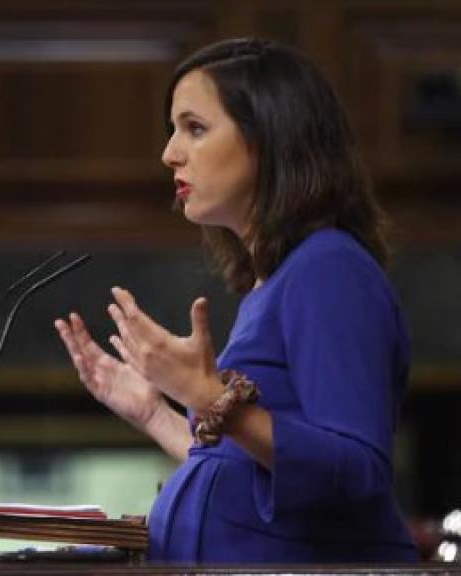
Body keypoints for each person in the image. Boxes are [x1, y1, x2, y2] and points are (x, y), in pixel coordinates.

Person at [54, 38, 417, 562]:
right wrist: (155, 413)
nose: (169, 153)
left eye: (195, 128)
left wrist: (208, 398)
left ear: (270, 138)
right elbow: (249, 474)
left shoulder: (330, 268)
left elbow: (358, 471)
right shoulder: (274, 283)